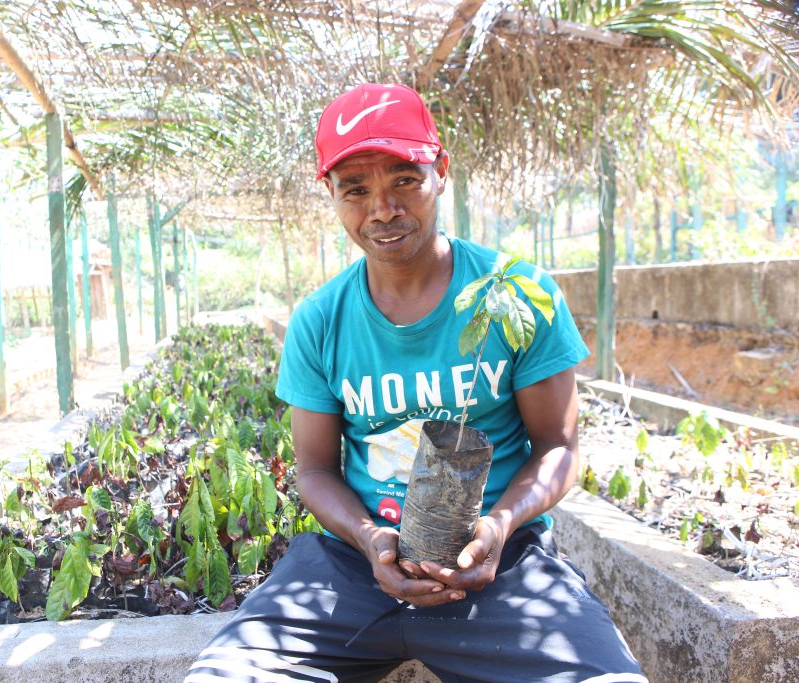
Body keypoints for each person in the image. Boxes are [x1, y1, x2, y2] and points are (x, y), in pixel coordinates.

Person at [186, 83, 646, 683]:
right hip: (351, 572)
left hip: (499, 570)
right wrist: (369, 537)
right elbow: (316, 470)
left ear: (441, 172)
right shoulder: (321, 321)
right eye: (356, 189)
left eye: (404, 179)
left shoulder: (515, 295)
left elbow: (557, 448)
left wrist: (499, 526)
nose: (382, 209)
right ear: (332, 194)